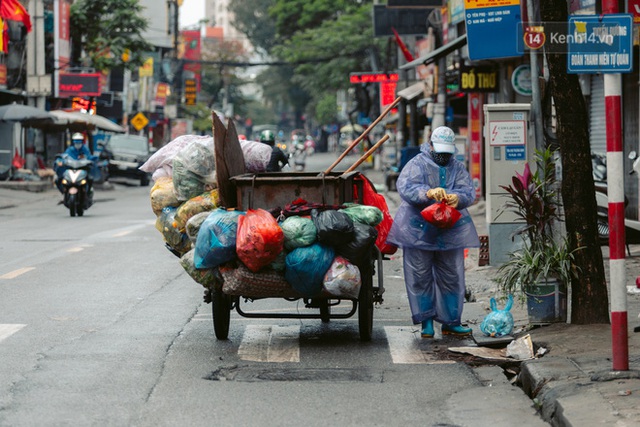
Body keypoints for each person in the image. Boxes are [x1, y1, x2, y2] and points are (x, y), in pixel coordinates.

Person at [386, 126, 480, 338]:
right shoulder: (416, 164)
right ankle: (426, 321)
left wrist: (458, 198)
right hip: (419, 231)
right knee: (419, 275)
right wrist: (426, 193)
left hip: (449, 230)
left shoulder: (457, 167)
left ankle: (451, 321)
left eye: (447, 152)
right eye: (439, 150)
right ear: (430, 145)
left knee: (452, 276)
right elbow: (405, 188)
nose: (443, 156)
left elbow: (468, 192)